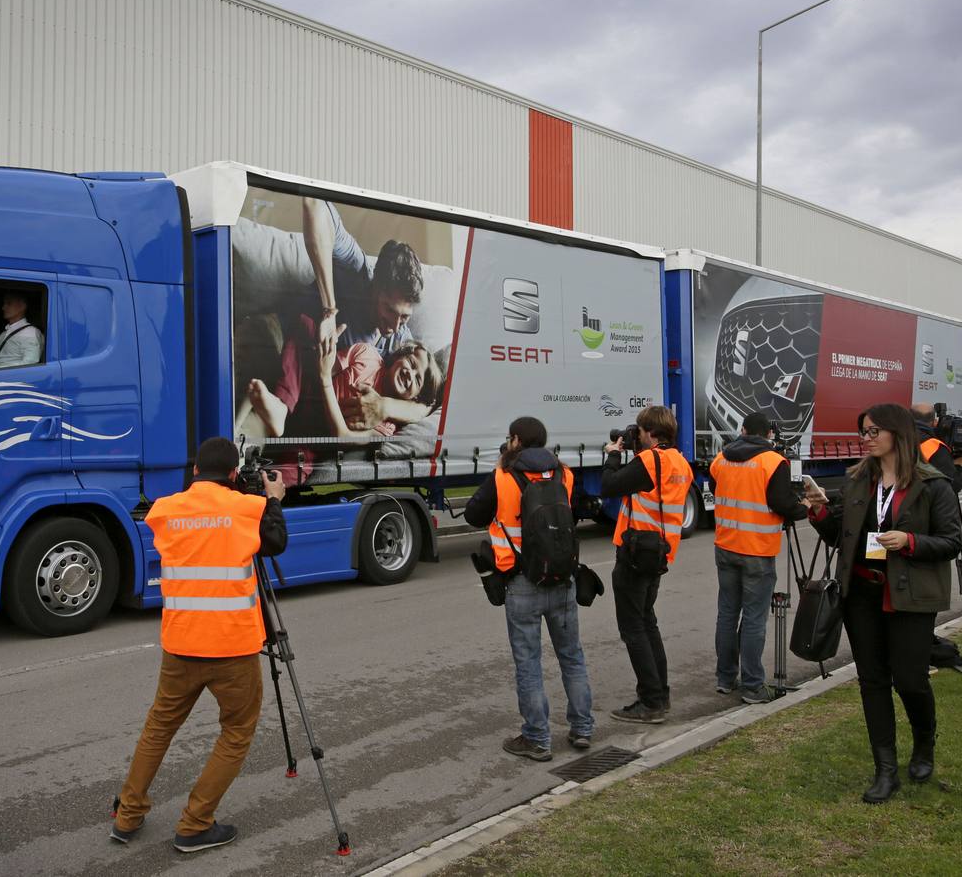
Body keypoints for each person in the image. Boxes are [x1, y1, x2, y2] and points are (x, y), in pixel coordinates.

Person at [110, 437, 287, 852]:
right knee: (237, 731)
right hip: (233, 647)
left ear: (193, 472)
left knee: (159, 727)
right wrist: (273, 499)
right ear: (233, 474)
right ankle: (195, 823)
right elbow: (275, 542)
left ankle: (127, 814)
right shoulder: (247, 509)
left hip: (181, 643)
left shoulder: (165, 511)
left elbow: (189, 519)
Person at [807, 403, 962, 804]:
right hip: (862, 595)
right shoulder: (858, 480)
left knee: (910, 680)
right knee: (872, 681)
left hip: (908, 596)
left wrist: (910, 542)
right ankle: (885, 770)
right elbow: (842, 537)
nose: (867, 438)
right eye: (864, 431)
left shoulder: (933, 485)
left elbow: (951, 542)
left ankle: (924, 744)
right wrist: (820, 511)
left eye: (874, 431)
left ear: (898, 432)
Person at [464, 416, 595, 760]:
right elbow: (575, 512)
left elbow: (473, 516)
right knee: (572, 656)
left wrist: (500, 467)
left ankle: (537, 738)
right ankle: (582, 728)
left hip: (521, 581)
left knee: (529, 663)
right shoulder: (564, 474)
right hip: (562, 578)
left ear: (516, 441)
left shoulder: (502, 477)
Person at [302, 197, 434, 433]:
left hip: (317, 406)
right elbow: (314, 204)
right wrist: (329, 309)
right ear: (375, 287)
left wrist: (384, 407)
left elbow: (427, 405)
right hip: (289, 339)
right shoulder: (356, 270)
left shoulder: (402, 343)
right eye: (389, 310)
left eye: (404, 317)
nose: (395, 326)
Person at [709, 412, 810, 704]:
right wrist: (803, 507)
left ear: (743, 431)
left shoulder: (721, 459)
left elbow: (717, 490)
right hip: (757, 550)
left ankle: (725, 678)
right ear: (769, 434)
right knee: (754, 618)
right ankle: (753, 686)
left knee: (727, 613)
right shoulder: (773, 462)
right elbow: (781, 503)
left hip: (726, 546)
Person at [601, 405, 692, 724]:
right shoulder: (679, 462)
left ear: (650, 433)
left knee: (634, 628)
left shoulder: (651, 461)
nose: (635, 435)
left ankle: (651, 701)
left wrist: (613, 454)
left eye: (639, 431)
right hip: (659, 552)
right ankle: (659, 695)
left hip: (635, 553)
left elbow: (609, 485)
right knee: (647, 623)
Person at [245, 314, 444, 442]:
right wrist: (325, 350)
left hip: (317, 436)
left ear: (416, 397)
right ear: (400, 356)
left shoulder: (388, 428)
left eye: (418, 379)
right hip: (306, 394)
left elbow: (341, 435)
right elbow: (324, 368)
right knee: (305, 324)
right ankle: (282, 406)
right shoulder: (368, 354)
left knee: (291, 472)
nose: (410, 373)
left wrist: (325, 378)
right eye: (411, 363)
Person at [910, 403, 962, 494]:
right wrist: (958, 465)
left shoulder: (898, 440)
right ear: (935, 422)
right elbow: (952, 487)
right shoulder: (935, 447)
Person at [0, 291, 43, 368]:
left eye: (9, 303)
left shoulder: (30, 333)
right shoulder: (4, 333)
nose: (3, 308)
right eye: (4, 304)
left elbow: (30, 363)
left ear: (22, 306)